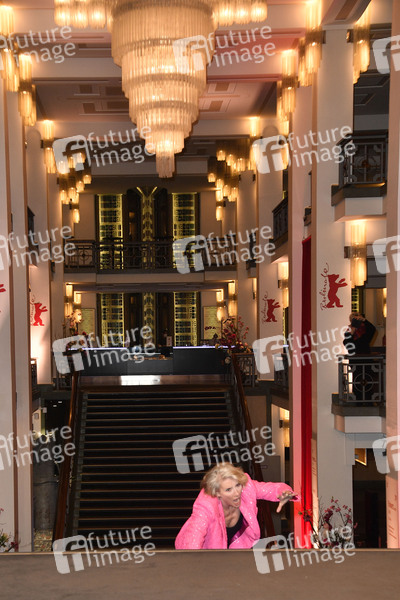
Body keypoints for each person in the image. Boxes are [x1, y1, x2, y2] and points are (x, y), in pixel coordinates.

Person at [175, 462, 297, 549]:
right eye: (228, 490)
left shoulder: (246, 488)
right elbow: (193, 538)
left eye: (237, 485)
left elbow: (269, 488)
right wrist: (192, 565)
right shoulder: (206, 505)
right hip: (208, 556)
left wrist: (284, 493)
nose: (237, 493)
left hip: (237, 552)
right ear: (217, 493)